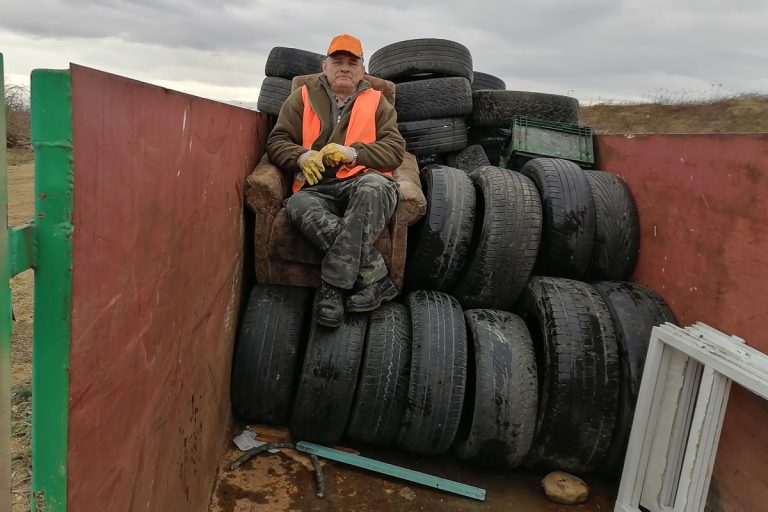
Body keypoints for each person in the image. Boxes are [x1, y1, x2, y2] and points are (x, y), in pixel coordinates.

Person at [266, 34, 406, 328]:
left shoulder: (378, 102)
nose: (344, 68)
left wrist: (353, 153)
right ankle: (376, 276)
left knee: (375, 188)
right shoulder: (302, 96)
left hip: (362, 180)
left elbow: (395, 151)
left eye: (352, 62)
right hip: (315, 186)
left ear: (362, 70)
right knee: (299, 205)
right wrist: (302, 157)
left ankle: (333, 289)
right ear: (324, 66)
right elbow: (277, 141)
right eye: (337, 61)